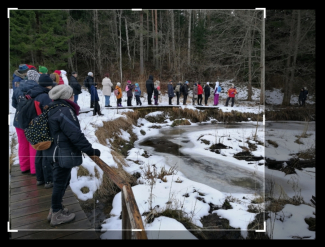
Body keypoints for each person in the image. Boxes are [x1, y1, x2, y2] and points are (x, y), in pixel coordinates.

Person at [47, 84, 101, 226]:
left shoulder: (54, 107)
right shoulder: (64, 110)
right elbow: (75, 134)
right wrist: (90, 150)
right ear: (66, 96)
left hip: (56, 152)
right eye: (71, 94)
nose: (73, 97)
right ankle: (56, 214)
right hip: (62, 153)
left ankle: (55, 210)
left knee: (62, 180)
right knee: (60, 182)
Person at [26, 74, 56, 188]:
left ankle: (40, 178)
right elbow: (49, 112)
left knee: (39, 152)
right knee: (46, 153)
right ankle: (48, 180)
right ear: (47, 85)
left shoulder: (33, 93)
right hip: (43, 127)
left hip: (34, 126)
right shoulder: (44, 96)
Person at [11, 70, 39, 175]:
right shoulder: (37, 89)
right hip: (32, 120)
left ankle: (24, 167)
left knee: (22, 144)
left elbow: (14, 104)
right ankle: (34, 169)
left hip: (18, 120)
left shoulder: (18, 89)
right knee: (33, 144)